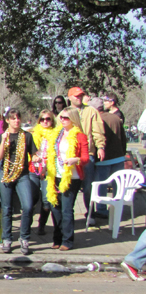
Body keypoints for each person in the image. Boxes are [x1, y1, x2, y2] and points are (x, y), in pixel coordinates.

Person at [0, 108, 39, 255]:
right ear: (7, 120)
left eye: (18, 118)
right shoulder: (2, 136)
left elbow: (34, 154)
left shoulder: (26, 136)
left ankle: (24, 237)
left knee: (27, 206)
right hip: (6, 174)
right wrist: (4, 140)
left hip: (22, 175)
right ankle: (7, 239)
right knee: (6, 209)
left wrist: (38, 158)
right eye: (13, 118)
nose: (16, 121)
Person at [45, 106, 89, 251]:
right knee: (55, 208)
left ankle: (67, 241)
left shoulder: (79, 135)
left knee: (67, 209)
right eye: (61, 117)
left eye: (66, 118)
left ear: (73, 119)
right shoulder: (57, 133)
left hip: (71, 177)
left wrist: (75, 160)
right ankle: (57, 239)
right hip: (55, 175)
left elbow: (85, 158)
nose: (62, 120)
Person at [66, 87, 105, 216]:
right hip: (69, 155)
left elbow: (97, 131)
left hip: (87, 154)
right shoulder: (65, 113)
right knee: (69, 185)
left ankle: (90, 213)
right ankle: (67, 214)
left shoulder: (91, 111)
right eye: (76, 96)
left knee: (88, 186)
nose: (79, 98)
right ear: (70, 97)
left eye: (81, 95)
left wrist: (100, 147)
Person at [91, 97, 128, 220]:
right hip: (118, 157)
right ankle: (117, 209)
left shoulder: (97, 119)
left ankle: (101, 210)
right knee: (118, 185)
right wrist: (122, 152)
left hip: (103, 159)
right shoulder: (116, 118)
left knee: (101, 185)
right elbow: (123, 138)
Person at [30, 109, 59, 235]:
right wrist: (32, 156)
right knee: (31, 198)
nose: (45, 121)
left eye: (48, 119)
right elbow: (25, 150)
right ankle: (27, 226)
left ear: (52, 120)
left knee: (47, 200)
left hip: (49, 170)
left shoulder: (57, 134)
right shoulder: (32, 133)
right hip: (34, 169)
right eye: (42, 119)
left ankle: (41, 226)